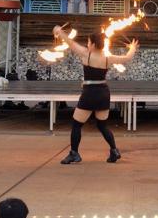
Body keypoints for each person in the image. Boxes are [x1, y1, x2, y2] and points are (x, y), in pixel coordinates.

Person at [56, 26, 138, 165]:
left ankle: (74, 154)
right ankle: (114, 150)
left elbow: (70, 43)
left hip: (90, 94)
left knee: (76, 125)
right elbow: (127, 58)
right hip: (103, 93)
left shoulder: (86, 54)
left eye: (89, 42)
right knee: (102, 125)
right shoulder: (108, 58)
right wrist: (133, 48)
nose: (87, 44)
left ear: (93, 44)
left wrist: (59, 32)